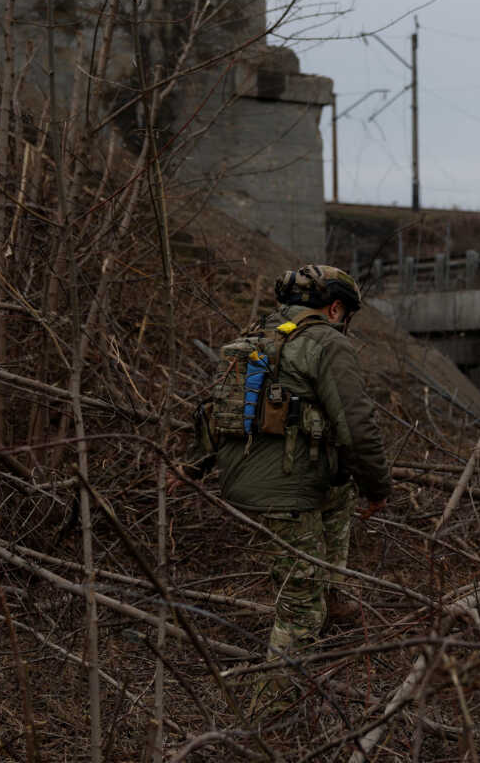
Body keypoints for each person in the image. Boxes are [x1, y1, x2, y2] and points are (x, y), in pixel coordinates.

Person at [182, 264, 393, 715]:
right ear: (336, 308)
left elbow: (215, 413)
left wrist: (193, 468)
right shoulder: (327, 343)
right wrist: (378, 487)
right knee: (298, 608)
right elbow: (357, 427)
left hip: (248, 478)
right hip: (286, 490)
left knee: (338, 494)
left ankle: (332, 596)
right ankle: (266, 716)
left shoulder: (255, 338)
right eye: (346, 314)